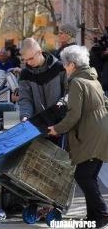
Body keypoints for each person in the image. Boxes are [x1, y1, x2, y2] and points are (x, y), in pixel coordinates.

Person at [47, 45, 108, 228]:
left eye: (65, 65)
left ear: (72, 65)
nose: (64, 68)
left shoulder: (76, 82)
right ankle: (93, 216)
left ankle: (103, 213)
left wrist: (56, 129)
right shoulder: (92, 78)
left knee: (83, 176)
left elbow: (74, 115)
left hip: (89, 133)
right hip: (100, 130)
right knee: (89, 175)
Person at [18, 38, 68, 122]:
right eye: (25, 60)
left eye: (31, 58)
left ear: (39, 52)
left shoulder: (60, 68)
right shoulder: (25, 74)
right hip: (38, 123)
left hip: (61, 122)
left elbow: (68, 94)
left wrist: (59, 112)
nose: (28, 63)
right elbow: (25, 99)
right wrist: (25, 116)